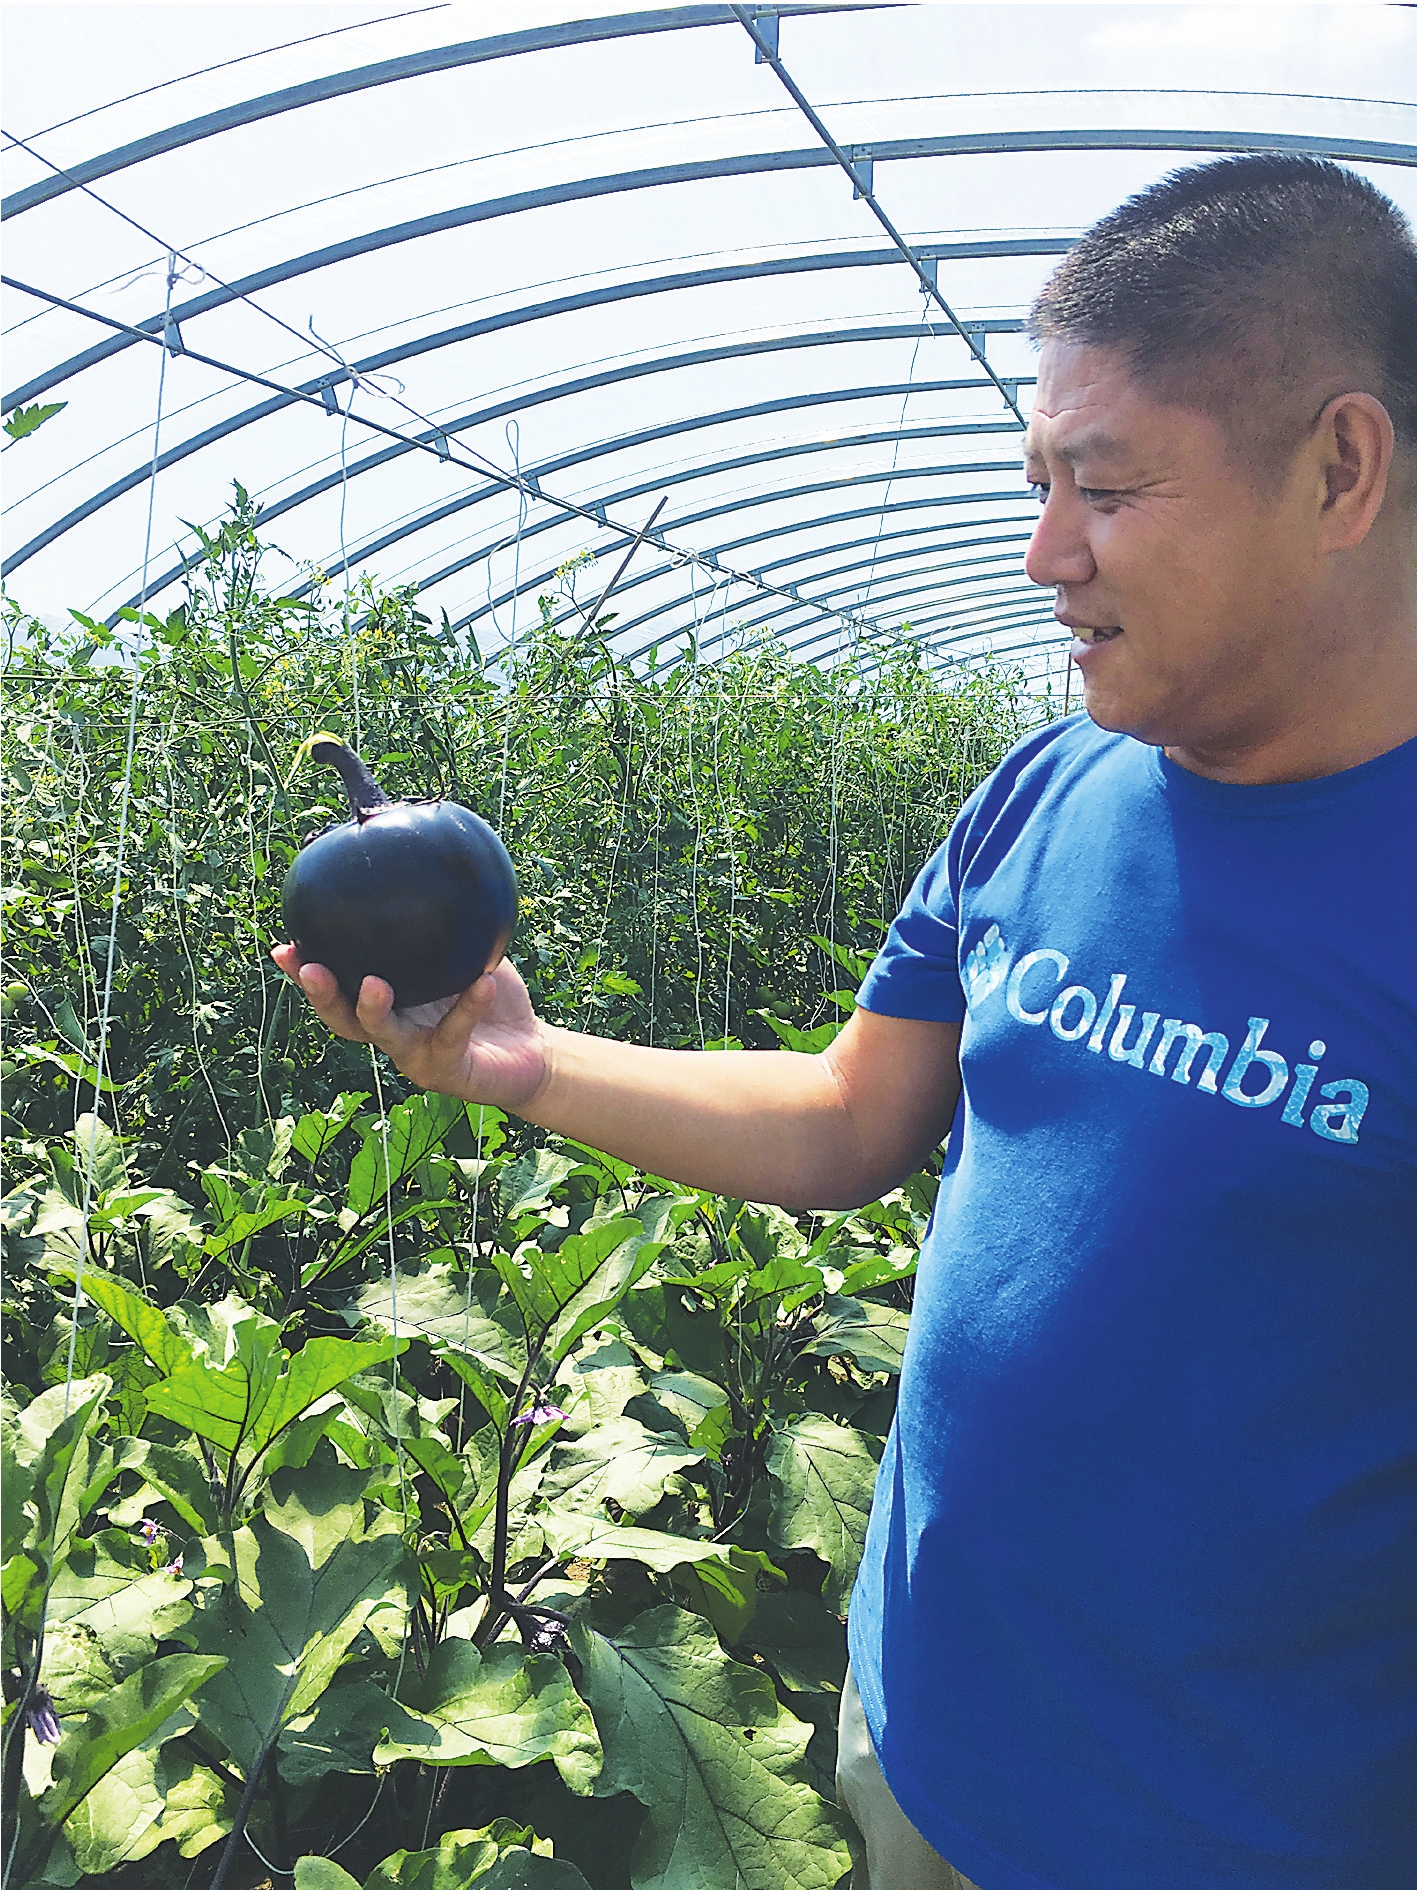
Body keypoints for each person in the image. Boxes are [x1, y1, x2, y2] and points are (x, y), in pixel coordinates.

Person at [274, 155, 1417, 1889]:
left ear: (1340, 467)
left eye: (1101, 490)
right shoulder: (1045, 789)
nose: (1042, 556)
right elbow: (845, 1117)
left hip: (1239, 1834)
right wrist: (516, 1062)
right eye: (1037, 482)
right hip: (918, 1741)